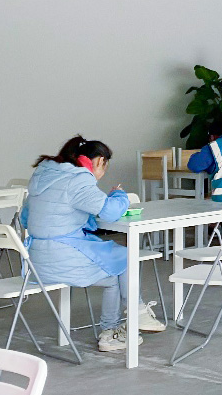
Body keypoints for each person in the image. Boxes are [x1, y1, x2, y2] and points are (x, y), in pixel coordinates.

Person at [21, 136, 166, 352]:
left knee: (116, 266)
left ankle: (127, 320)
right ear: (99, 161)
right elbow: (109, 212)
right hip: (63, 259)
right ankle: (120, 324)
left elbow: (25, 219)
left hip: (36, 263)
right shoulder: (78, 178)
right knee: (124, 261)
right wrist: (119, 194)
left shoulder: (42, 176)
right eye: (104, 167)